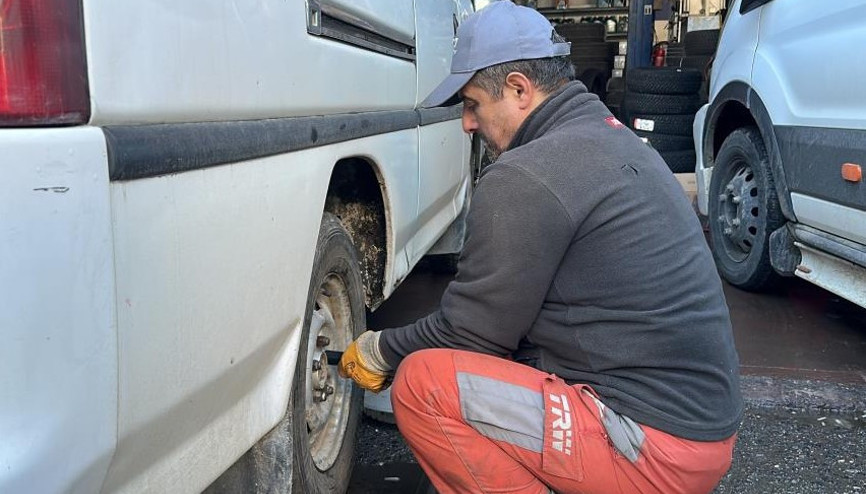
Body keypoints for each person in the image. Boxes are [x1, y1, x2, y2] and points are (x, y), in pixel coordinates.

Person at [338, 2, 742, 493]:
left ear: (518, 89)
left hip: (652, 449)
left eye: (472, 104)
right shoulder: (612, 140)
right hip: (701, 434)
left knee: (424, 384)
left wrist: (381, 349)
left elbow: (470, 332)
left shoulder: (528, 173)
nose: (467, 123)